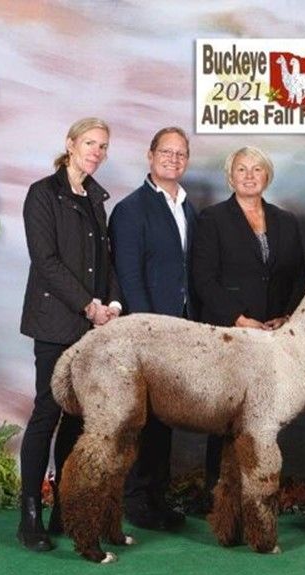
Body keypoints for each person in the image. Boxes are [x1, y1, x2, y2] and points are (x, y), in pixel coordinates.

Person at [18, 117, 121, 552]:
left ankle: (64, 506)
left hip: (89, 328)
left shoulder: (96, 198)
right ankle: (29, 514)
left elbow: (106, 261)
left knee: (77, 418)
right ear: (70, 144)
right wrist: (88, 305)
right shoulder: (42, 193)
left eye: (103, 146)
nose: (96, 152)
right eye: (90, 143)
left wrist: (112, 304)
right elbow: (46, 261)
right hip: (55, 322)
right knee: (47, 413)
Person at [192, 146, 305, 500]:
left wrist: (286, 316)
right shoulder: (212, 219)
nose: (249, 175)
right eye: (241, 169)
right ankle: (219, 492)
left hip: (274, 336)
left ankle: (257, 490)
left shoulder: (286, 221)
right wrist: (239, 319)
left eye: (256, 169)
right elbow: (203, 279)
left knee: (264, 416)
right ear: (230, 177)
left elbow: (300, 277)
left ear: (266, 176)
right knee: (226, 415)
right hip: (230, 334)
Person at [108, 126, 196, 531]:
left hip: (183, 328)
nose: (173, 159)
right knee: (140, 417)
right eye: (166, 152)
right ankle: (136, 499)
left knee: (166, 414)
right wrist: (148, 331)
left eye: (180, 154)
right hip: (147, 332)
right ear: (150, 155)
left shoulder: (188, 209)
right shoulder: (130, 210)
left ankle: (157, 496)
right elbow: (128, 276)